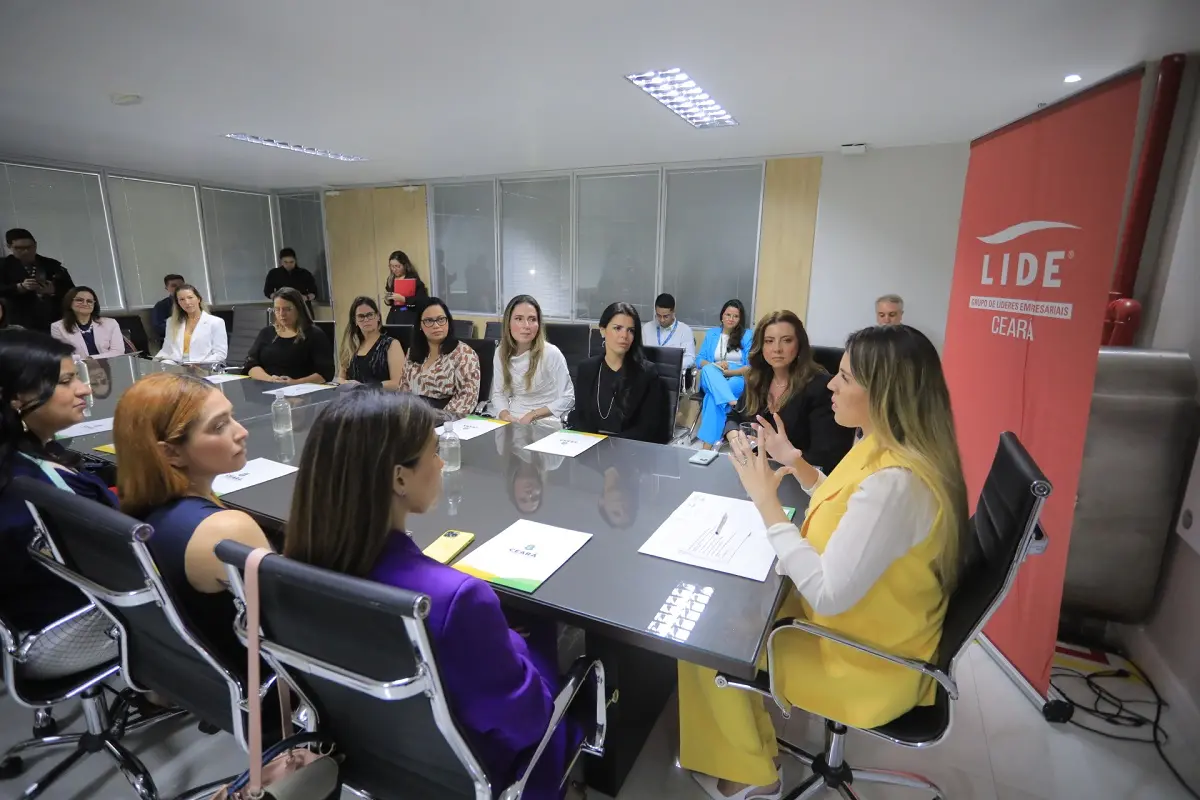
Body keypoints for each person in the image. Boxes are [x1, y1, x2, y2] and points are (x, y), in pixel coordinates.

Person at [680, 324, 970, 800]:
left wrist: (765, 502)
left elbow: (829, 595)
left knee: (704, 637)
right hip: (871, 625)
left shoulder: (896, 483)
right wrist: (792, 459)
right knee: (731, 605)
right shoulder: (884, 443)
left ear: (885, 393)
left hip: (863, 660)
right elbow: (841, 502)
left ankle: (753, 776)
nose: (832, 384)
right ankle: (752, 747)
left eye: (846, 378)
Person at [283, 389, 582, 799]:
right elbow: (528, 721)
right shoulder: (455, 600)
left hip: (370, 756)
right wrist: (507, 641)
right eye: (434, 451)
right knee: (541, 626)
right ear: (399, 478)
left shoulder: (294, 569)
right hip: (473, 772)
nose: (442, 463)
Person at [115, 373, 272, 667]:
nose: (241, 432)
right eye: (219, 426)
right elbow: (294, 628)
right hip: (263, 683)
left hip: (191, 675)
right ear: (171, 452)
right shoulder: (226, 530)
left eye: (232, 417)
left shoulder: (141, 509)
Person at [0, 331, 118, 675]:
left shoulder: (17, 463)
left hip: (26, 617)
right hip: (67, 630)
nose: (84, 388)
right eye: (67, 381)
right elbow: (124, 566)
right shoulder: (45, 487)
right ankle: (162, 687)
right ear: (16, 399)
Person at [725, 311, 854, 474]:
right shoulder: (756, 380)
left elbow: (825, 458)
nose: (777, 349)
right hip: (756, 474)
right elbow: (734, 417)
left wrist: (775, 453)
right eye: (769, 341)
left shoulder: (821, 387)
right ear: (761, 346)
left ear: (799, 344)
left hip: (800, 481)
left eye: (786, 341)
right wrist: (734, 436)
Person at [568, 302, 668, 443]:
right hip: (589, 450)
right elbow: (581, 418)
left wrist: (611, 452)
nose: (624, 336)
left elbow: (648, 429)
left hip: (630, 453)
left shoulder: (646, 373)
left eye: (630, 330)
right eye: (618, 328)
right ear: (603, 330)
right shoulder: (586, 369)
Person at [491, 294, 573, 425]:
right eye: (519, 319)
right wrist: (505, 415)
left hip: (545, 421)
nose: (526, 325)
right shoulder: (501, 352)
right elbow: (498, 394)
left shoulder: (551, 353)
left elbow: (568, 398)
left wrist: (533, 415)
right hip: (512, 420)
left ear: (539, 324)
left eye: (532, 319)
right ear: (508, 323)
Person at [399, 298, 480, 420]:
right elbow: (403, 388)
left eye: (441, 319)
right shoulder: (412, 352)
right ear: (420, 325)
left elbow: (466, 398)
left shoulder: (464, 354)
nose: (436, 325)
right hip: (413, 418)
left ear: (448, 322)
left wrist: (434, 419)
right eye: (429, 321)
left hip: (446, 421)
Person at [694, 299, 753, 449]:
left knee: (713, 398)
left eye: (735, 316)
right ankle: (733, 402)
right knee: (707, 369)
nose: (731, 319)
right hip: (713, 375)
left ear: (740, 319)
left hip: (736, 376)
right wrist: (715, 366)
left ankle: (706, 448)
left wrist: (729, 371)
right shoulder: (712, 334)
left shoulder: (747, 335)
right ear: (722, 316)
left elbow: (751, 367)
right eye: (728, 315)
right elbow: (699, 360)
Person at [245, 288, 335, 385]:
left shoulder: (315, 335)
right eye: (277, 309)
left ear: (299, 309)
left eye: (287, 309)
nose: (281, 314)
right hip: (267, 390)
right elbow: (251, 364)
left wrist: (295, 382)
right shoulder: (266, 333)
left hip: (303, 393)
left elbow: (325, 373)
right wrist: (270, 379)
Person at [0, 228, 74, 332]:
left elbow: (73, 292)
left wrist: (54, 290)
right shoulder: (3, 266)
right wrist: (19, 288)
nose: (26, 251)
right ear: (9, 246)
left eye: (30, 247)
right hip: (18, 323)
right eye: (19, 248)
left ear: (35, 245)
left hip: (54, 322)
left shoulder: (52, 265)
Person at [337, 296, 404, 388]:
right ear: (355, 321)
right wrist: (345, 383)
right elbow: (340, 378)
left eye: (370, 315)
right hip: (352, 397)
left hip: (382, 398)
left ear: (378, 317)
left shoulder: (391, 344)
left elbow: (398, 382)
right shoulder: (350, 345)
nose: (366, 320)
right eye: (361, 316)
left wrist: (364, 387)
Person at [155, 284, 228, 364]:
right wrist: (154, 364)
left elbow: (220, 354)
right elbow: (167, 349)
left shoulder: (215, 322)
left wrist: (198, 364)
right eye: (182, 299)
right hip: (178, 366)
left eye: (190, 297)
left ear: (198, 299)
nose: (187, 302)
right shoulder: (171, 321)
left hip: (204, 367)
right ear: (178, 303)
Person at [50, 286, 124, 359]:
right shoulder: (57, 327)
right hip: (78, 369)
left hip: (109, 366)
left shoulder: (111, 323)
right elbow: (63, 356)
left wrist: (91, 358)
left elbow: (118, 352)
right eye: (79, 300)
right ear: (70, 302)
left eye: (89, 301)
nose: (85, 304)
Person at [641, 293, 696, 370]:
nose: (662, 320)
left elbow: (690, 358)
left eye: (666, 316)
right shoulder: (647, 328)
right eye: (658, 315)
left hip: (672, 373)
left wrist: (670, 365)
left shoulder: (685, 330)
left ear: (673, 312)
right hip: (650, 371)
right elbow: (641, 353)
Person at [263, 247, 319, 312]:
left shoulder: (304, 273)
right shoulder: (274, 273)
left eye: (291, 262)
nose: (289, 265)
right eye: (285, 262)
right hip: (283, 308)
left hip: (302, 308)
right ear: (281, 261)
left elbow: (314, 293)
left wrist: (306, 297)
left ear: (295, 261)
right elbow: (267, 291)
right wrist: (276, 298)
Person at [383, 250, 429, 326]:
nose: (394, 269)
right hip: (394, 316)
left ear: (405, 265)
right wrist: (387, 300)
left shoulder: (414, 280)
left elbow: (422, 301)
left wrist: (404, 299)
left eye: (397, 266)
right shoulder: (391, 279)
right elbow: (391, 302)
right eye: (391, 266)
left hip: (408, 315)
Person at [152, 274, 186, 341]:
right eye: (174, 286)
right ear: (167, 288)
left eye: (181, 285)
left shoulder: (195, 303)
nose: (178, 288)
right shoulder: (161, 306)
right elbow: (160, 328)